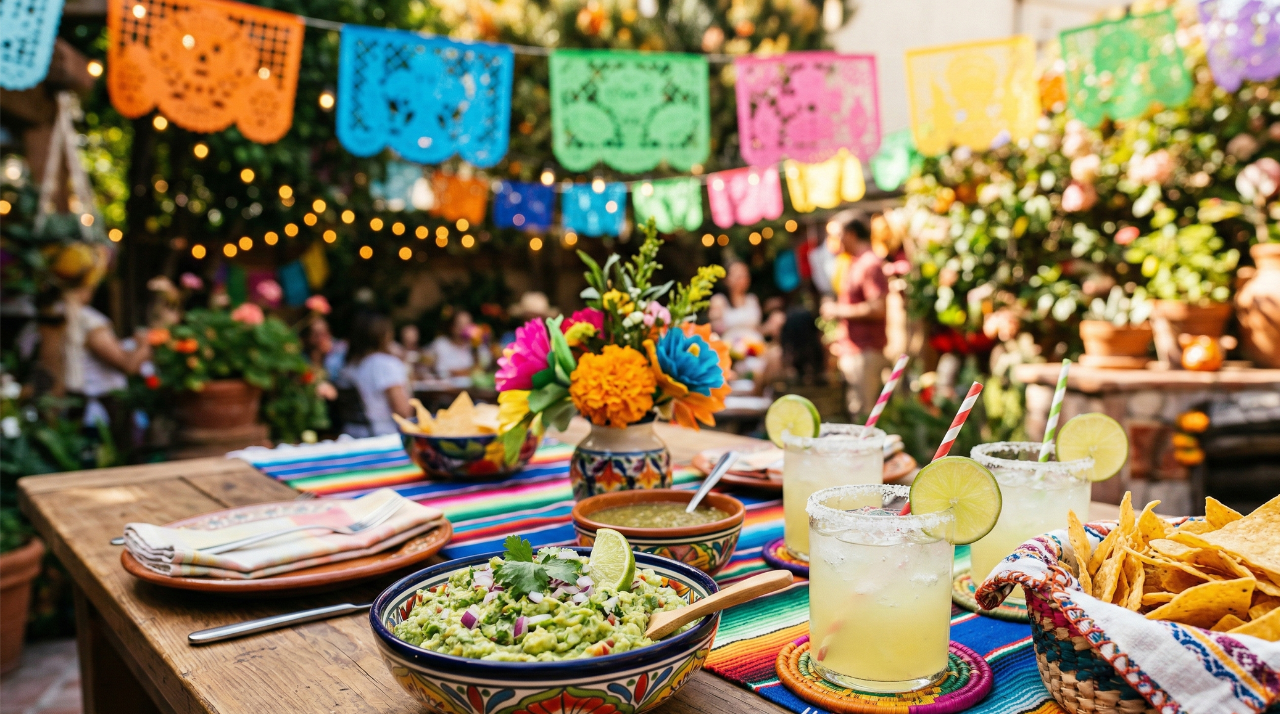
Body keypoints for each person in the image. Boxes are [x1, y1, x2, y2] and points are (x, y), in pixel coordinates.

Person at [820, 212, 890, 420]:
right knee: (854, 412)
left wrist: (837, 310)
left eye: (837, 235)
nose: (834, 242)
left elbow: (878, 308)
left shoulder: (870, 264)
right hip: (852, 350)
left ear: (850, 235)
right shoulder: (852, 262)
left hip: (866, 352)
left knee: (864, 416)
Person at [337, 311, 412, 437]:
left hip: (352, 433)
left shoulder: (348, 365)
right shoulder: (385, 364)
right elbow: (403, 412)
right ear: (385, 335)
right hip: (384, 434)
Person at [708, 262, 764, 348]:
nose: (742, 278)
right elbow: (715, 329)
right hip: (730, 347)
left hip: (755, 347)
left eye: (744, 275)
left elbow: (757, 329)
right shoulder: (719, 300)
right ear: (726, 279)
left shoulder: (752, 299)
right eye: (737, 275)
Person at [427, 310, 485, 379]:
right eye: (459, 324)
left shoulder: (476, 345)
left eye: (467, 324)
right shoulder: (440, 345)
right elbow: (438, 371)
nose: (463, 328)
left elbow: (483, 369)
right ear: (451, 327)